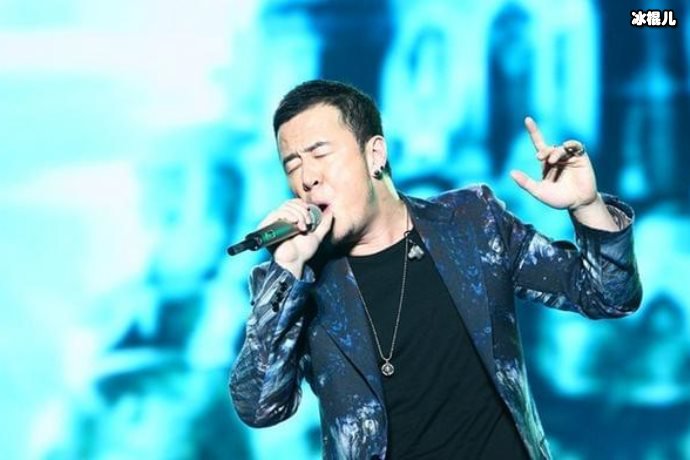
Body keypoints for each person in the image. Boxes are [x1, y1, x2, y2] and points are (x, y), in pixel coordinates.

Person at [229, 79, 642, 459]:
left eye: (320, 154)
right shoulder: (298, 283)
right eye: (292, 165)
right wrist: (287, 266)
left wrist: (586, 205)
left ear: (374, 154)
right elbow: (260, 407)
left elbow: (610, 296)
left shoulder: (471, 222)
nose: (307, 178)